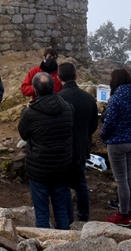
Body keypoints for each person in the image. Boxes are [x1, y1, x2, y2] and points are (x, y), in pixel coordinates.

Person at [18, 72, 74, 229]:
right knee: (61, 210)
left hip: (39, 167)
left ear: (35, 90)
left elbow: (23, 133)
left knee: (42, 212)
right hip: (62, 165)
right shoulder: (68, 108)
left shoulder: (30, 113)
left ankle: (44, 243)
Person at [100, 68, 131, 226]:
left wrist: (103, 136)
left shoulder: (115, 99)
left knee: (121, 180)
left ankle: (123, 215)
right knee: (129, 178)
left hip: (117, 143)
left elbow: (109, 122)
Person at [57, 62, 98, 223]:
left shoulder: (59, 99)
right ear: (76, 76)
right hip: (81, 147)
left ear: (59, 78)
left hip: (63, 149)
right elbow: (94, 124)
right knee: (81, 183)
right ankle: (83, 218)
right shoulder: (88, 98)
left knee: (65, 184)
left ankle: (68, 219)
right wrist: (84, 136)